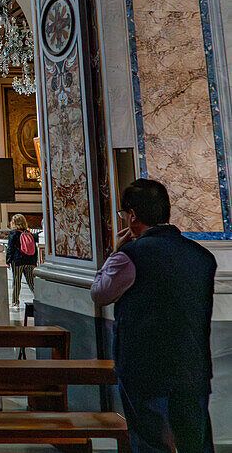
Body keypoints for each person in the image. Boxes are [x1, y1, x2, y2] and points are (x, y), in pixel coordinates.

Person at [90, 179, 217, 453]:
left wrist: (114, 252)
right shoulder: (203, 256)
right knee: (195, 441)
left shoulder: (129, 256)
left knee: (150, 441)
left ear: (132, 215)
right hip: (191, 366)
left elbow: (100, 294)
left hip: (144, 366)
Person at [5, 214, 37, 309]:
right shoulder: (29, 233)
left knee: (17, 281)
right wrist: (34, 262)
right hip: (30, 261)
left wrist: (8, 261)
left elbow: (10, 249)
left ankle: (15, 302)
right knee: (31, 282)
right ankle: (41, 298)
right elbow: (35, 248)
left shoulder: (13, 234)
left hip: (18, 260)